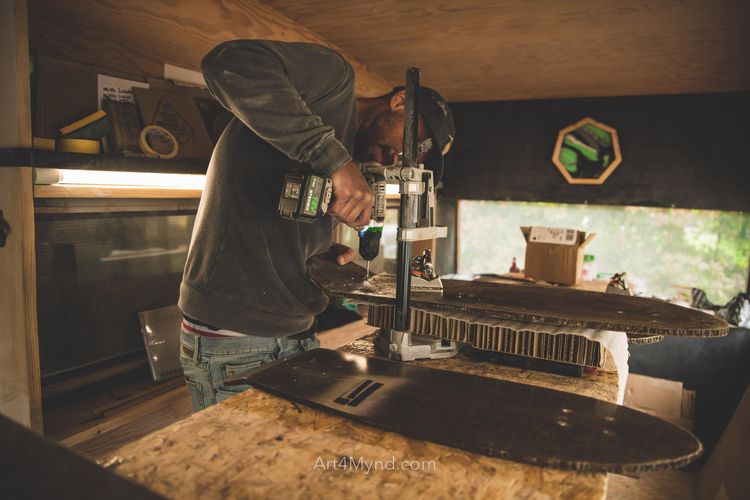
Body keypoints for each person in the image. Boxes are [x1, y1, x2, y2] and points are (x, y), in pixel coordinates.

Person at [178, 39, 455, 411]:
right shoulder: (333, 81)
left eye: (408, 156)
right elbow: (227, 63)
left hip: (296, 335)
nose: (396, 157)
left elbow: (278, 220)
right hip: (237, 338)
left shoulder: (346, 154)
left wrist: (319, 252)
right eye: (409, 143)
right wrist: (335, 162)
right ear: (401, 102)